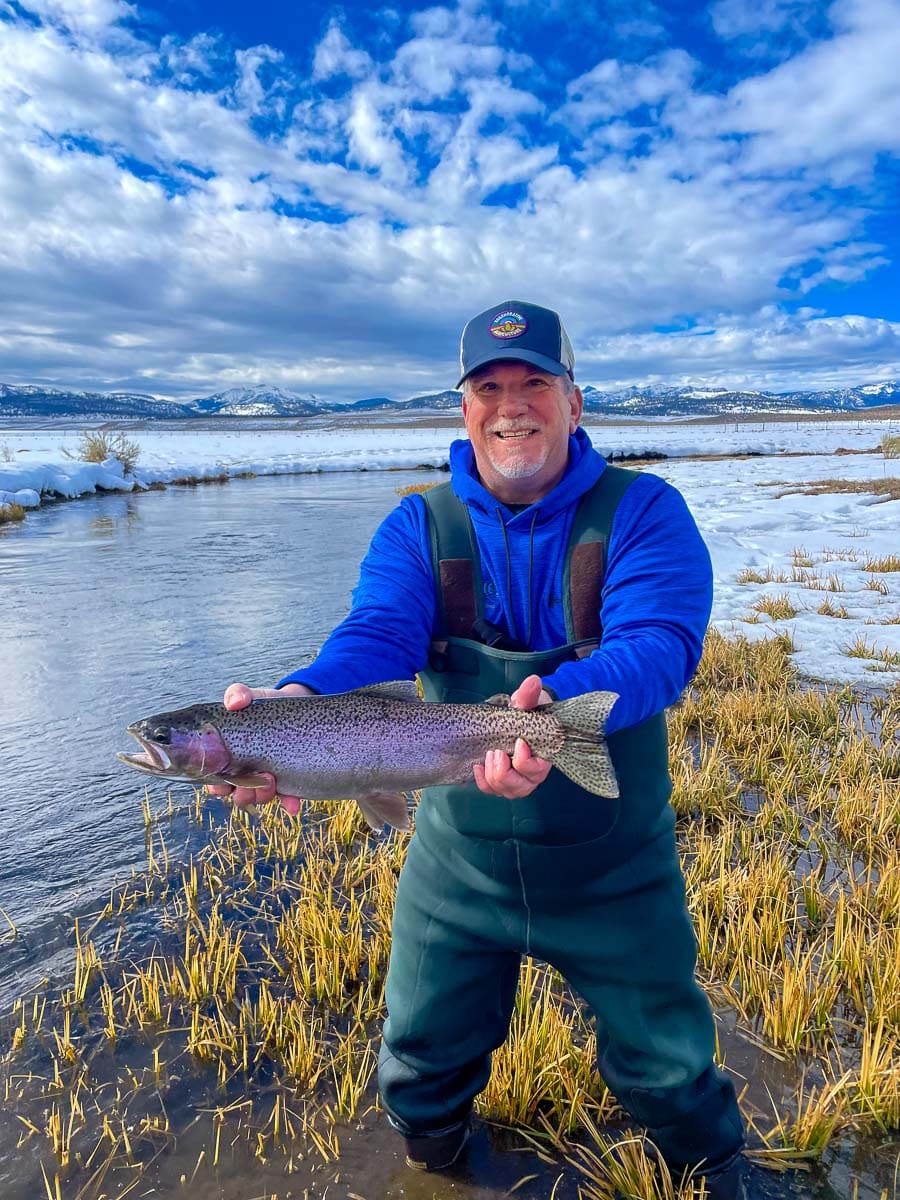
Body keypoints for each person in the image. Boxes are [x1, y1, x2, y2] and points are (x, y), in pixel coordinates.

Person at [209, 301, 748, 1199]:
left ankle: (719, 1171)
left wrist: (546, 710)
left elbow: (659, 645)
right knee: (417, 1068)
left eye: (535, 382)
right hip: (457, 867)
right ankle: (441, 1169)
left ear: (575, 400)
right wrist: (300, 700)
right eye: (489, 387)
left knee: (673, 1077)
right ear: (463, 408)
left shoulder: (644, 512)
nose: (513, 405)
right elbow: (377, 634)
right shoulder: (417, 528)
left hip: (616, 865)